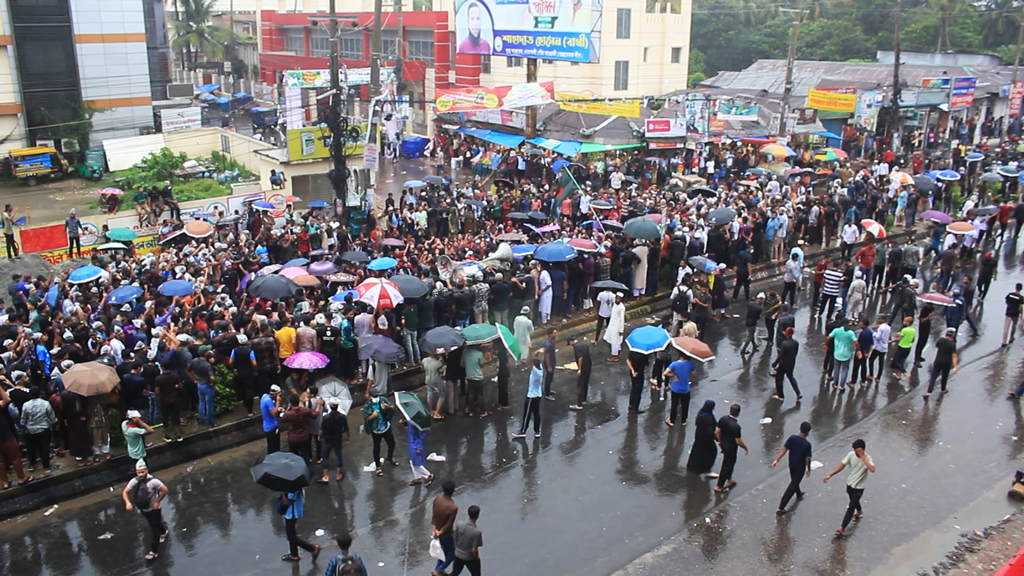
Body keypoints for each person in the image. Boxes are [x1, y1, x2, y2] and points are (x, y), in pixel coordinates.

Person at [824, 438, 876, 538]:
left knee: (851, 506)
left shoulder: (867, 458)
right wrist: (830, 474)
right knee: (853, 500)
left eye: (857, 450)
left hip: (859, 487)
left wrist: (862, 456)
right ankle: (860, 512)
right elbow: (842, 465)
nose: (855, 452)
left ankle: (841, 529)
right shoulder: (851, 454)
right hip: (850, 484)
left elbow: (872, 469)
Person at [122, 459, 169, 561]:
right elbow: (125, 492)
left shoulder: (153, 482)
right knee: (153, 523)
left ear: (147, 470)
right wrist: (128, 503)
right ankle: (164, 531)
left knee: (154, 528)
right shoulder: (134, 481)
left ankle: (154, 550)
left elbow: (165, 490)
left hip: (154, 508)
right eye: (139, 472)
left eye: (143, 472)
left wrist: (158, 501)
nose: (141, 474)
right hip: (143, 508)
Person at [772, 421, 813, 515]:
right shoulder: (807, 445)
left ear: (800, 428)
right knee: (793, 485)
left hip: (791, 464)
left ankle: (798, 494)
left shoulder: (792, 438)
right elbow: (808, 458)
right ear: (808, 432)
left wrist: (776, 460)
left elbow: (784, 450)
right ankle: (781, 508)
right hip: (800, 467)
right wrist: (809, 469)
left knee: (795, 480)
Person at [279, 487, 321, 562]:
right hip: (291, 512)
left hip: (292, 512)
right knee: (292, 534)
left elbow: (287, 501)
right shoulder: (297, 484)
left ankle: (312, 548)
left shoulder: (293, 487)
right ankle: (294, 554)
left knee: (291, 537)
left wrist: (283, 493)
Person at [714, 403, 748, 493]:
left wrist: (720, 441)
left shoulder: (723, 419)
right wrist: (745, 448)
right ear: (738, 413)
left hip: (724, 444)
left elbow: (718, 431)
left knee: (730, 464)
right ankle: (719, 486)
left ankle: (729, 480)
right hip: (731, 448)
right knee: (727, 465)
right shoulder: (736, 426)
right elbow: (738, 441)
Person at [512, 350, 544, 438]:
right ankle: (537, 431)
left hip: (531, 397)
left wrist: (530, 350)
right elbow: (534, 360)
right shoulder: (540, 369)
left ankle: (523, 431)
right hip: (538, 395)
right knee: (536, 414)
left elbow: (530, 361)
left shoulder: (535, 373)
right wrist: (537, 352)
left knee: (527, 414)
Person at [278, 393, 319, 460]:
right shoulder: (305, 410)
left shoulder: (289, 414)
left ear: (290, 403)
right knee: (305, 454)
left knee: (294, 455)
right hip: (304, 436)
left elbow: (283, 419)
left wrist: (287, 410)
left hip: (293, 437)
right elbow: (314, 415)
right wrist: (318, 406)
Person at [431, 480, 459, 576]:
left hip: (437, 530)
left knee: (442, 552)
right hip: (446, 534)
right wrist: (441, 531)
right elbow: (449, 524)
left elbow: (434, 515)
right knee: (452, 553)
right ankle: (438, 571)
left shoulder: (437, 499)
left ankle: (438, 570)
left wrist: (435, 529)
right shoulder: (453, 507)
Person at [686, 400, 719, 478]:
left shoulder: (702, 413)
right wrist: (717, 438)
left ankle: (692, 466)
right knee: (712, 452)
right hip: (706, 439)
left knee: (697, 451)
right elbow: (709, 431)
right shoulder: (708, 417)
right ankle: (706, 469)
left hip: (699, 435)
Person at [318, 400, 349, 482]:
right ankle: (338, 474)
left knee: (325, 456)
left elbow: (322, 429)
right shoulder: (342, 417)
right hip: (338, 438)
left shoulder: (326, 417)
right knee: (338, 455)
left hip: (327, 439)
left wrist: (319, 437)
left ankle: (325, 476)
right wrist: (348, 437)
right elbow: (346, 428)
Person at [924, 327, 959, 398]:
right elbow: (954, 355)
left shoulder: (941, 340)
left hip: (938, 360)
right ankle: (943, 389)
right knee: (945, 376)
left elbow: (936, 346)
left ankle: (929, 391)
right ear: (953, 335)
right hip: (947, 362)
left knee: (933, 376)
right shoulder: (952, 344)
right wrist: (955, 366)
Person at [663, 355, 695, 427]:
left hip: (675, 388)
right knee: (685, 405)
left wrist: (674, 375)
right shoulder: (690, 364)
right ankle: (683, 421)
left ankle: (672, 421)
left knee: (674, 404)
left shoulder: (674, 364)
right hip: (685, 389)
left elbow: (665, 373)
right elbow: (694, 374)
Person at [451, 504, 484, 576]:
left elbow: (455, 540)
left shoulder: (459, 524)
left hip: (458, 554)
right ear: (478, 516)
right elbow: (474, 550)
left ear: (468, 513)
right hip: (469, 557)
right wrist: (477, 559)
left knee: (454, 573)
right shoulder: (477, 532)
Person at [825, 318, 856, 392]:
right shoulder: (850, 332)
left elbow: (828, 337)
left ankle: (835, 383)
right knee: (845, 369)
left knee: (836, 368)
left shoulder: (836, 331)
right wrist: (859, 350)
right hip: (846, 354)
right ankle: (841, 386)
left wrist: (826, 344)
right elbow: (856, 342)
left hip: (837, 353)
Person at [772, 327, 801, 401]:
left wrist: (775, 363)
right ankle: (798, 393)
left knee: (779, 379)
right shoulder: (796, 343)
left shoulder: (784, 344)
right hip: (791, 363)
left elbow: (780, 356)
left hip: (784, 364)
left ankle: (780, 396)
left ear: (786, 333)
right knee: (791, 377)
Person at [405, 418, 434, 486]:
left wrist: (420, 447)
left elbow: (422, 436)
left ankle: (429, 475)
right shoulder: (411, 418)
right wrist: (404, 423)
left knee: (416, 463)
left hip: (416, 445)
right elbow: (409, 425)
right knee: (412, 461)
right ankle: (418, 478)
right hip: (412, 443)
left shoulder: (420, 421)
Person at [568, 334, 592, 410]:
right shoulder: (584, 344)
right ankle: (583, 400)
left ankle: (579, 404)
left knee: (580, 385)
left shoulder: (576, 347)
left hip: (583, 368)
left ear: (571, 342)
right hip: (588, 366)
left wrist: (579, 369)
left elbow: (580, 358)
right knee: (585, 384)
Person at [261, 385, 284, 454]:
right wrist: (277, 402)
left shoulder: (264, 396)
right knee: (274, 447)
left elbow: (269, 409)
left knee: (271, 445)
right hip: (271, 426)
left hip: (267, 424)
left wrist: (277, 408)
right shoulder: (269, 401)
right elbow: (274, 413)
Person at [626, 345, 650, 413]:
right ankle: (635, 408)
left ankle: (631, 405)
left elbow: (628, 360)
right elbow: (647, 363)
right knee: (638, 390)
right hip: (639, 373)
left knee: (633, 388)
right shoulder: (644, 354)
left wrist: (632, 370)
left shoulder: (633, 351)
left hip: (632, 373)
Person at [603, 293, 626, 361]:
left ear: (621, 299)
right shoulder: (614, 303)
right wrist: (609, 304)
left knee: (614, 341)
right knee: (616, 341)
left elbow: (622, 319)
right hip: (612, 324)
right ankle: (618, 353)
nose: (617, 299)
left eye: (619, 298)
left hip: (617, 326)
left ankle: (615, 356)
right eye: (617, 298)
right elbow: (612, 311)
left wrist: (621, 329)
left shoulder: (621, 308)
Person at [513, 306, 534, 370]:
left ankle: (517, 364)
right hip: (525, 339)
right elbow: (531, 331)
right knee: (524, 352)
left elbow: (514, 326)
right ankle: (523, 366)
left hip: (517, 337)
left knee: (517, 351)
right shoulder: (528, 322)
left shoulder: (517, 318)